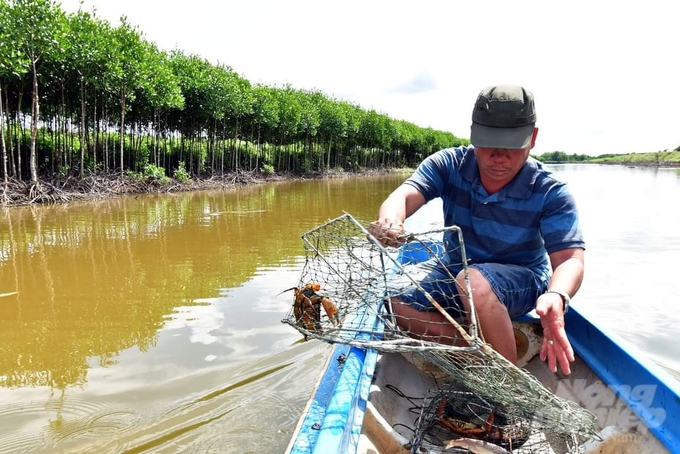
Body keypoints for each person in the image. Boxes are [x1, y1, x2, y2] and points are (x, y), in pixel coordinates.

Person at [369, 84, 584, 375]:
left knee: (473, 282)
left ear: (532, 139)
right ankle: (479, 349)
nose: (498, 156)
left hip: (521, 280)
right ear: (473, 134)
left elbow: (569, 259)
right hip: (455, 269)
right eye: (488, 143)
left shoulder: (550, 191)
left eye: (511, 145)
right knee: (393, 302)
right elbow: (405, 195)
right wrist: (390, 221)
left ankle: (507, 382)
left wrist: (556, 295)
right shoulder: (449, 164)